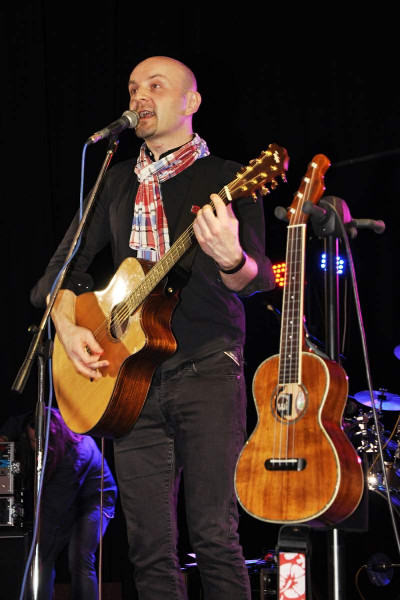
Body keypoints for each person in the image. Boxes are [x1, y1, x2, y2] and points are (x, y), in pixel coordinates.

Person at [30, 56, 275, 599]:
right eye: (132, 87)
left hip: (207, 367)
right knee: (148, 550)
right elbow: (59, 272)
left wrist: (232, 260)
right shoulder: (114, 181)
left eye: (155, 86)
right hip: (130, 383)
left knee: (214, 536)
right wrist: (67, 328)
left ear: (191, 102)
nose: (139, 96)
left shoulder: (229, 177)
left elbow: (256, 278)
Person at [0, 408, 118, 600]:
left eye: (39, 442)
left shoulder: (74, 456)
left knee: (79, 557)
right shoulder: (42, 420)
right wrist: (3, 438)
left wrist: (41, 547)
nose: (35, 447)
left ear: (52, 438)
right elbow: (17, 421)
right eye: (32, 441)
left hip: (95, 500)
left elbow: (54, 511)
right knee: (42, 556)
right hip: (67, 498)